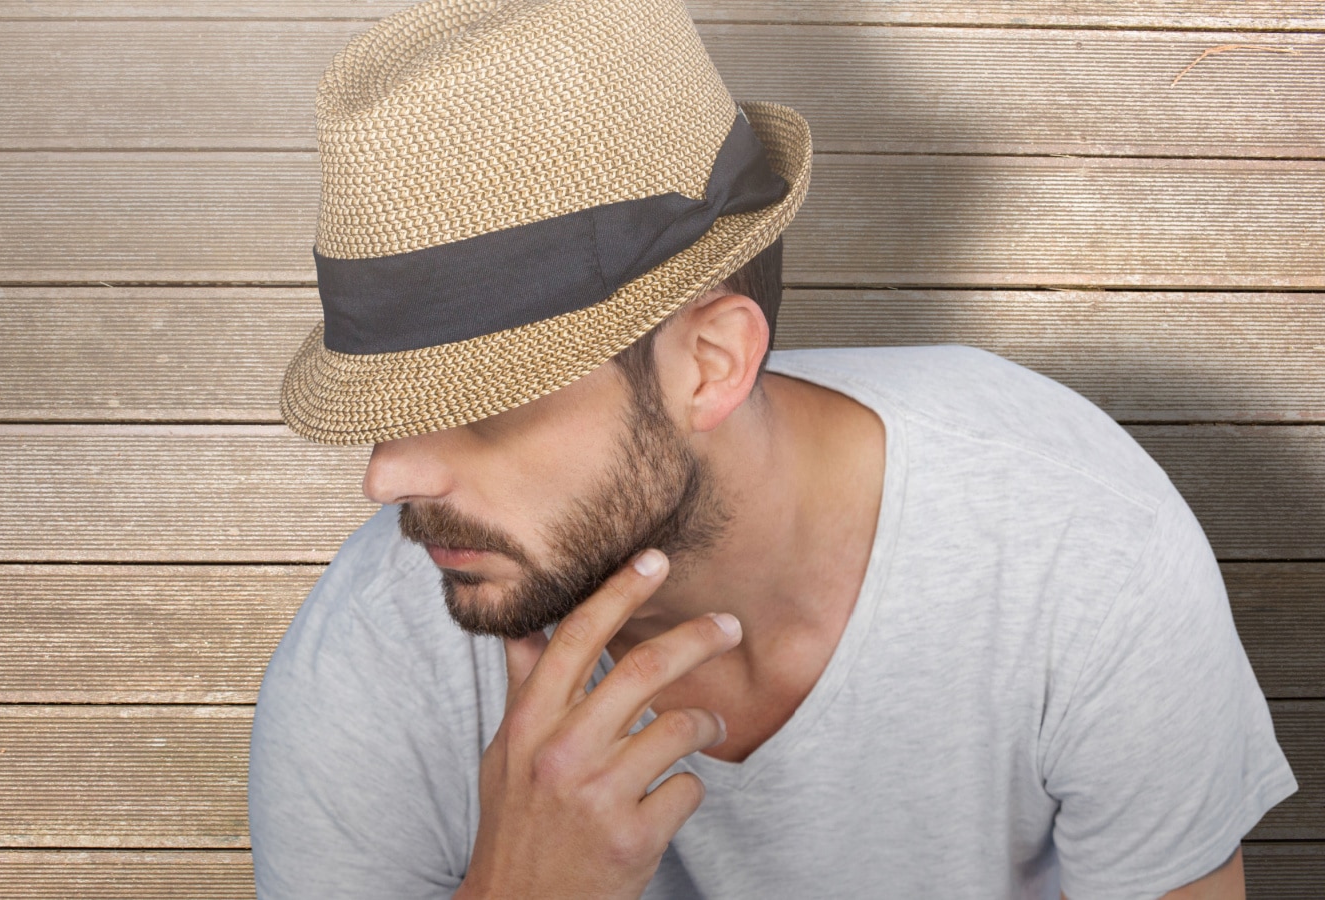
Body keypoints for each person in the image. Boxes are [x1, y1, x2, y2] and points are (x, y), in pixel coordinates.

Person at [248, 0, 1297, 896]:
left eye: (488, 406)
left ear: (708, 363)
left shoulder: (1073, 542)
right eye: (389, 405)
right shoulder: (374, 654)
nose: (386, 477)